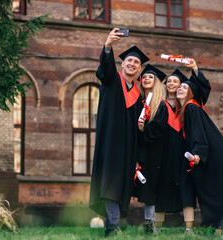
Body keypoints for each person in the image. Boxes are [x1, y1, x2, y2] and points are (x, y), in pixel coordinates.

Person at [89, 28, 149, 237]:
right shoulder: (112, 81)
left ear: (139, 69)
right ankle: (113, 227)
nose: (132, 64)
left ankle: (112, 223)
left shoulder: (139, 96)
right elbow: (105, 69)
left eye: (136, 63)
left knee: (119, 186)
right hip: (110, 144)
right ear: (122, 64)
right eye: (129, 61)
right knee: (110, 183)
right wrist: (107, 46)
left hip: (128, 148)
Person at [176, 63, 223, 233]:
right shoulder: (189, 108)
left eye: (185, 86)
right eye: (179, 87)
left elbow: (197, 133)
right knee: (215, 187)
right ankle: (222, 226)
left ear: (191, 92)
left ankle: (221, 227)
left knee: (212, 188)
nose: (180, 89)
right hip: (214, 149)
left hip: (210, 151)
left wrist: (197, 154)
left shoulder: (191, 107)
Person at [154, 69, 188, 232]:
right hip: (163, 151)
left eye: (175, 81)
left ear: (181, 85)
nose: (171, 84)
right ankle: (157, 227)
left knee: (184, 186)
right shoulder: (160, 103)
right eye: (168, 81)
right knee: (161, 186)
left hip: (182, 151)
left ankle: (188, 227)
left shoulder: (187, 106)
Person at [136, 64, 167, 233]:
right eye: (144, 77)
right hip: (141, 153)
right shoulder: (138, 103)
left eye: (151, 77)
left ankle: (153, 226)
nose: (146, 79)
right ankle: (149, 225)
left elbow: (158, 131)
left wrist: (143, 129)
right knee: (146, 189)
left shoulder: (160, 106)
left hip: (155, 154)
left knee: (152, 189)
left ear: (156, 83)